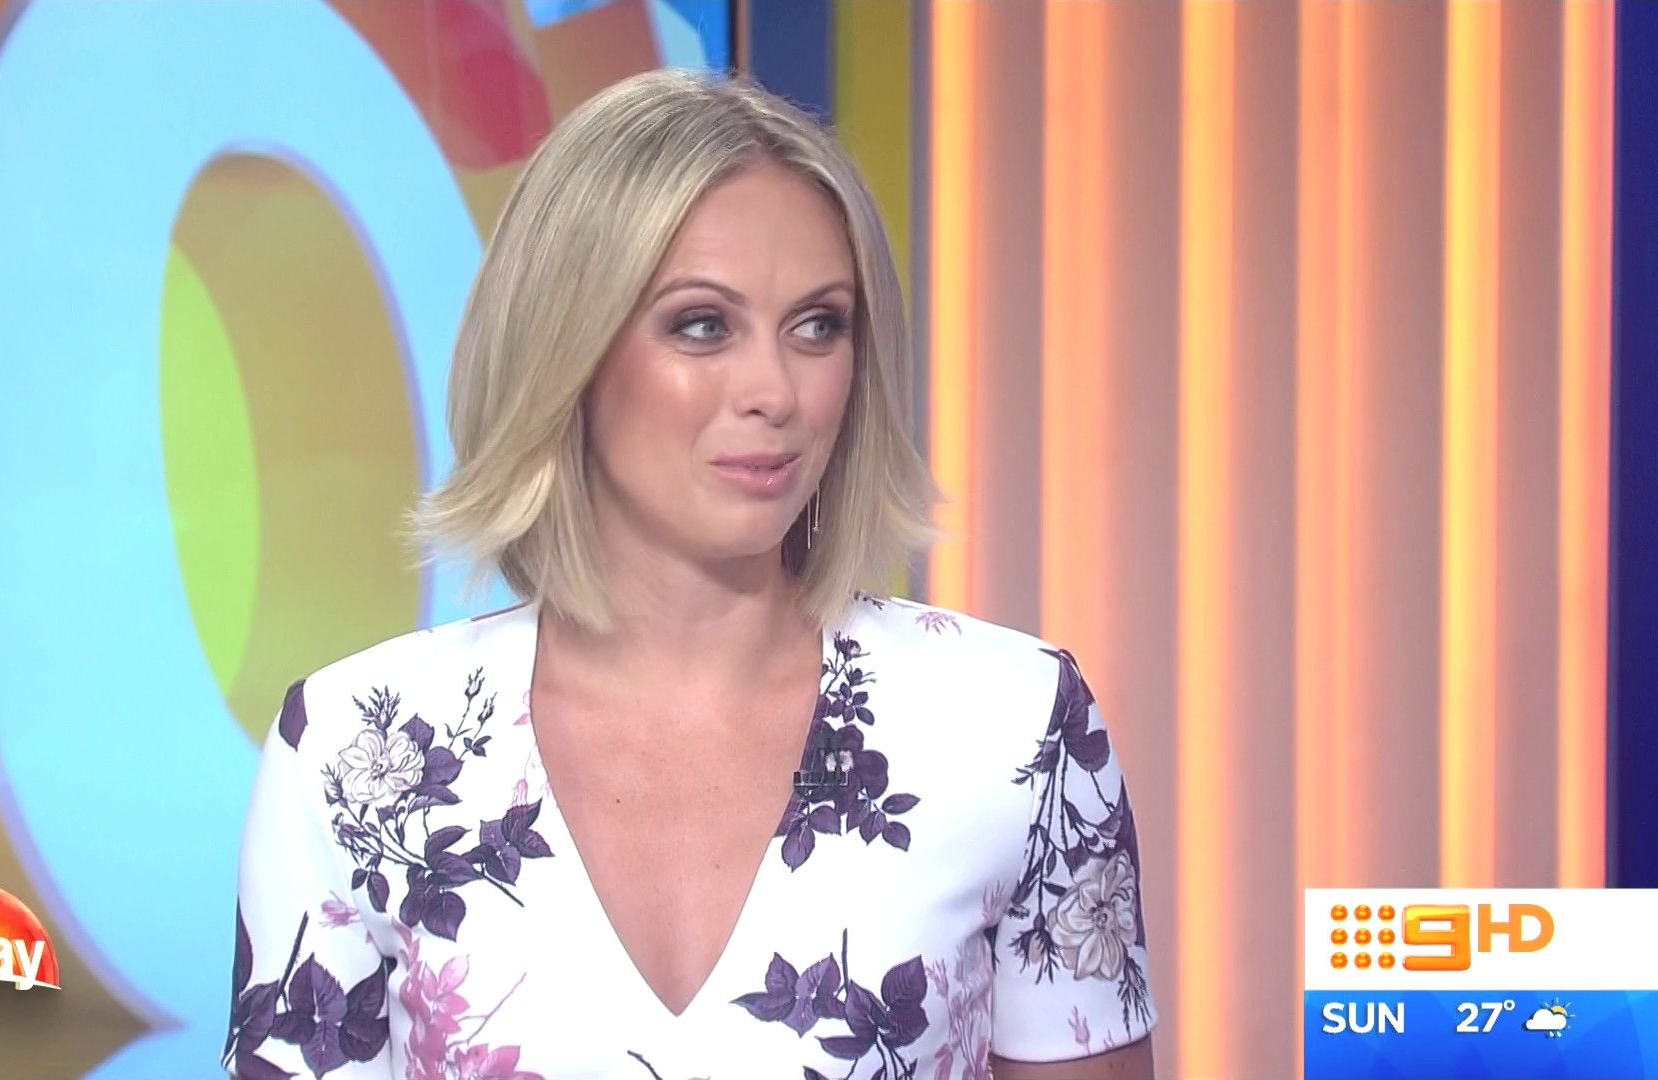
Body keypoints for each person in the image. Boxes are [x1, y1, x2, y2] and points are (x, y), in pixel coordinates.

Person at [224, 68, 1157, 1080]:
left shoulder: (1014, 729)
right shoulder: (354, 754)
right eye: (703, 325)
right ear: (566, 350)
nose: (775, 391)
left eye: (818, 325)